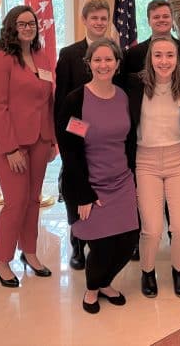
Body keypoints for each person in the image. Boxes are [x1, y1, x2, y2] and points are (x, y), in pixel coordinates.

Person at [55, 38, 138, 314]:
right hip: (90, 183)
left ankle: (105, 283)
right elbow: (71, 151)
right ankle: (93, 289)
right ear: (89, 63)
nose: (104, 65)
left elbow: (128, 142)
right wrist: (84, 194)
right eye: (98, 60)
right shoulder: (76, 100)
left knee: (127, 242)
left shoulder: (123, 97)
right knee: (101, 247)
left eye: (109, 59)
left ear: (117, 63)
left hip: (121, 181)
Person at [0, 5, 57, 288]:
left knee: (33, 200)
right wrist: (10, 148)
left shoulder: (41, 56)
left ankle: (29, 252)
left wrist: (52, 139)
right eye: (22, 23)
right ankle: (1, 259)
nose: (28, 28)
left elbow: (48, 101)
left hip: (40, 139)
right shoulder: (2, 59)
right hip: (12, 143)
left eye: (32, 23)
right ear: (12, 27)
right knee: (15, 202)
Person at [126, 38, 180, 298]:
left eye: (169, 55)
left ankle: (179, 270)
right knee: (152, 228)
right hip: (145, 161)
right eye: (158, 56)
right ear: (150, 58)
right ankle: (148, 271)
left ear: (177, 58)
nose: (164, 61)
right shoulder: (135, 85)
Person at [54, 0, 111, 271]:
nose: (99, 23)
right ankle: (77, 241)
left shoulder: (114, 52)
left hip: (106, 136)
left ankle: (100, 236)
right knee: (76, 183)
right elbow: (61, 102)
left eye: (103, 18)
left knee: (101, 185)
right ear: (84, 20)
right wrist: (66, 138)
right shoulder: (68, 54)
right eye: (95, 18)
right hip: (76, 134)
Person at [123, 0, 180, 85]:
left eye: (165, 16)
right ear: (149, 21)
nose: (161, 20)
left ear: (172, 19)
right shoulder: (134, 53)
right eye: (156, 17)